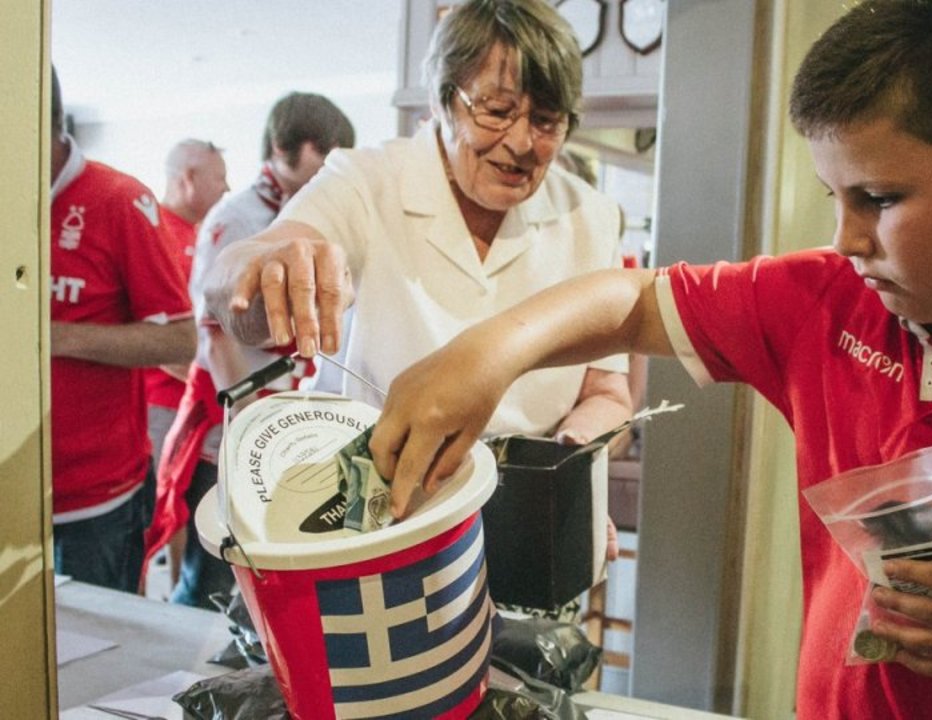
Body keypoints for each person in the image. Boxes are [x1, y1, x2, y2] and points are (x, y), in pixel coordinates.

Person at [222, 1, 932, 717]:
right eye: (834, 198)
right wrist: (485, 355)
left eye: (880, 200)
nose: (848, 236)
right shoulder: (827, 302)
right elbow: (628, 302)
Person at [203, 0, 632, 618]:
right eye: (497, 110)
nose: (520, 143)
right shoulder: (366, 181)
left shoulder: (588, 215)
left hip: (522, 529)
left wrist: (569, 469)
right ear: (441, 97)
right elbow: (239, 279)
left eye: (546, 120)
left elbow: (606, 391)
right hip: (367, 521)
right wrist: (259, 268)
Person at [144, 92, 356, 607]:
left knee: (268, 569)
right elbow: (213, 332)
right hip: (240, 421)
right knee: (218, 570)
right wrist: (252, 421)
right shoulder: (237, 218)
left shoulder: (298, 210)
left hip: (286, 412)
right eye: (326, 158)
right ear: (295, 150)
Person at [49, 68, 197, 593]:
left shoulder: (117, 200)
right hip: (15, 491)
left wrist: (55, 337)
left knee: (97, 665)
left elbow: (180, 341)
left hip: (97, 503)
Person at [146, 139, 229, 466]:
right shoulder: (155, 232)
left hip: (200, 400)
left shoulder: (200, 236)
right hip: (166, 406)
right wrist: (224, 384)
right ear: (188, 178)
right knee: (167, 510)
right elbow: (159, 334)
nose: (227, 188)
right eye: (218, 178)